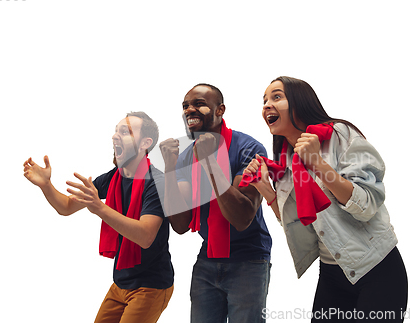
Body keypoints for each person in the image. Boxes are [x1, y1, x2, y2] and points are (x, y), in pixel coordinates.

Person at [242, 76, 408, 322]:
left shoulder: (340, 135)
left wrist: (317, 163)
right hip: (332, 274)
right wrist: (265, 188)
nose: (266, 105)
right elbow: (297, 223)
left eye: (277, 96)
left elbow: (367, 204)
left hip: (377, 269)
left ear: (300, 101)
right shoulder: (286, 160)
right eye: (264, 100)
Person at [23, 112, 174, 323]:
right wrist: (46, 186)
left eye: (125, 132)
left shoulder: (157, 182)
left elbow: (145, 236)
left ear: (145, 143)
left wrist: (100, 208)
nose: (115, 136)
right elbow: (66, 207)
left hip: (151, 285)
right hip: (121, 283)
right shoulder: (113, 177)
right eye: (115, 130)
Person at [159, 83, 272, 323]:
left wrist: (210, 161)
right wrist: (169, 168)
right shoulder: (184, 158)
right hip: (208, 258)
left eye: (199, 104)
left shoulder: (248, 148)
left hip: (248, 257)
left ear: (220, 110)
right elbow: (180, 224)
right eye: (185, 106)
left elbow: (242, 217)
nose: (190, 110)